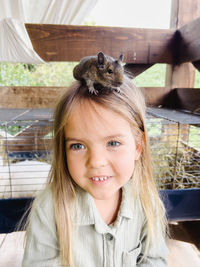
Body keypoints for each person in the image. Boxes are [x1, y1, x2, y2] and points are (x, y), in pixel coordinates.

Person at [22, 76, 168, 267]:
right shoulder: (49, 208)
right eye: (78, 146)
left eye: (113, 143)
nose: (96, 162)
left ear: (138, 146)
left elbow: (154, 260)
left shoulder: (147, 203)